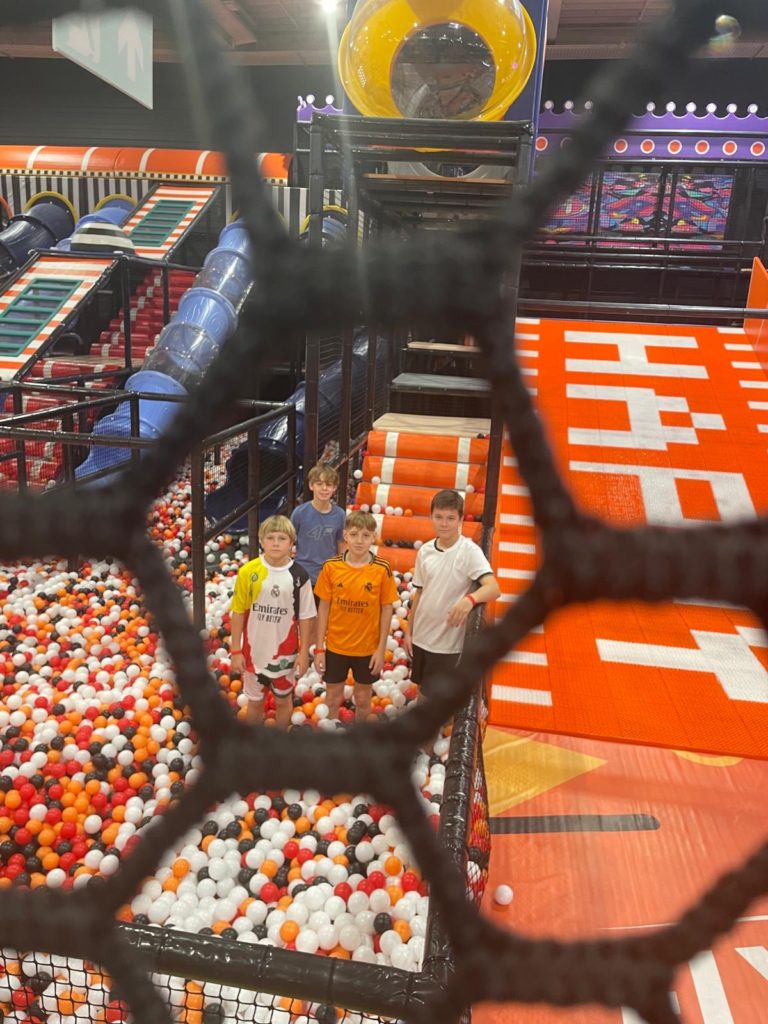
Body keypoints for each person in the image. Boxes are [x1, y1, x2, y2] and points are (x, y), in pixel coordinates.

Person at [403, 489, 500, 704]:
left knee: (435, 701)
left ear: (460, 519)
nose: (444, 524)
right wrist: (409, 631)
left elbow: (493, 588)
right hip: (421, 637)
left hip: (446, 644)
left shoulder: (469, 551)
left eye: (450, 518)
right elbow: (420, 592)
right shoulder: (425, 551)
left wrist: (469, 600)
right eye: (438, 517)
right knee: (422, 691)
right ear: (431, 517)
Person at [228, 515, 316, 730]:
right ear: (261, 541)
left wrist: (304, 652)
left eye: (282, 538)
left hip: (285, 656)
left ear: (292, 542)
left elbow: (306, 617)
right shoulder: (248, 572)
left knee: (283, 701)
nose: (276, 543)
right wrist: (236, 650)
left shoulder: (299, 576)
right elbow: (238, 612)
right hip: (253, 654)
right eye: (270, 538)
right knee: (255, 703)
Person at [314, 510, 399, 724]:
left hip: (367, 649)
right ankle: (331, 738)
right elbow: (323, 608)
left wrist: (381, 649)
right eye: (354, 534)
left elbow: (387, 609)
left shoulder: (382, 569)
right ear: (345, 535)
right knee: (332, 698)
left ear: (373, 537)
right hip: (336, 647)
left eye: (365, 535)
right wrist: (319, 649)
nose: (359, 541)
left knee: (362, 698)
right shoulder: (331, 567)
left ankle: (360, 740)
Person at [291, 462, 346, 596]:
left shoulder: (340, 514)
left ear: (334, 488)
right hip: (302, 573)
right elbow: (289, 542)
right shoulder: (299, 513)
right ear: (311, 486)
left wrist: (342, 570)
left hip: (328, 574)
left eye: (329, 484)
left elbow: (341, 544)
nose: (324, 488)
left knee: (323, 609)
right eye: (319, 484)